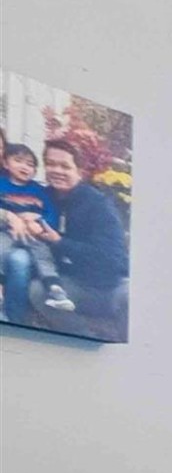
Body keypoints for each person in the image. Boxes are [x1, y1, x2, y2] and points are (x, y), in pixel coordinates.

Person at [36, 134, 126, 338]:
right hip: (70, 283)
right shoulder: (42, 197)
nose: (57, 170)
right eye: (50, 164)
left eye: (65, 166)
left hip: (108, 286)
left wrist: (59, 242)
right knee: (36, 291)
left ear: (79, 171)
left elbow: (111, 258)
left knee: (131, 299)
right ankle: (84, 337)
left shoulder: (98, 204)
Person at [0, 139, 68, 321]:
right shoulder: (1, 184)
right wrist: (9, 218)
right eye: (18, 161)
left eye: (30, 164)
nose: (25, 167)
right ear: (6, 163)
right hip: (7, 233)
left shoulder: (40, 191)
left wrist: (38, 220)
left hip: (32, 235)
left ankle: (55, 288)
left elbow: (51, 215)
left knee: (43, 255)